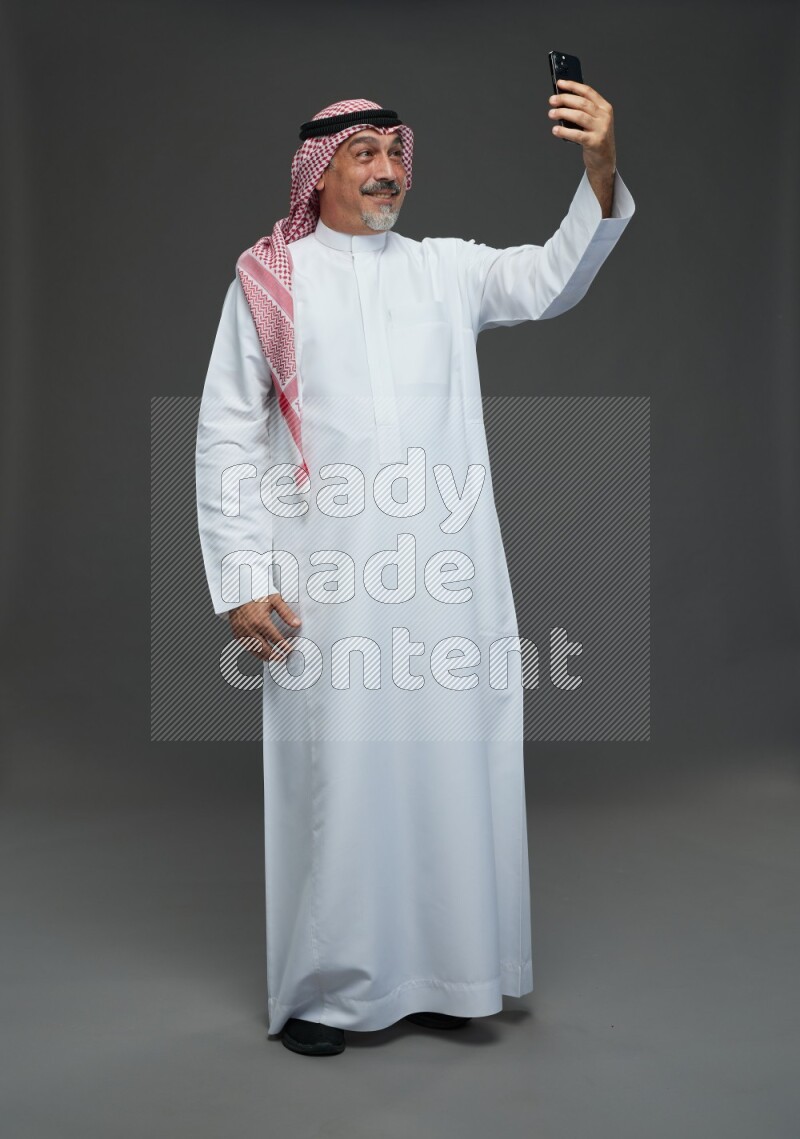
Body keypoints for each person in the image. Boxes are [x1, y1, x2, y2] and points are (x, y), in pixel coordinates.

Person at [195, 91, 635, 1057]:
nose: (387, 168)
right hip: (326, 580)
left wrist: (600, 165)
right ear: (319, 172)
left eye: (395, 152)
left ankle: (445, 972)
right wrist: (240, 576)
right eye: (362, 153)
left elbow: (552, 276)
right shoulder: (271, 281)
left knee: (448, 765)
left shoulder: (445, 271)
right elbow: (228, 429)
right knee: (338, 776)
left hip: (449, 576)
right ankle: (322, 992)